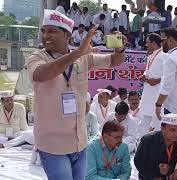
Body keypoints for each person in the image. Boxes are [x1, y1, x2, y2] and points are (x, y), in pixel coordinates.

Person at [26, 9, 126, 180]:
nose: (45, 35)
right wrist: (77, 53)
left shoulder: (83, 58)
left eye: (52, 31)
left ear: (67, 35)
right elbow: (40, 74)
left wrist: (120, 47)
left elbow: (114, 61)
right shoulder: (37, 57)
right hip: (53, 145)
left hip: (79, 142)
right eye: (44, 31)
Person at [134, 113, 177, 180]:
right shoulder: (148, 140)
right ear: (162, 129)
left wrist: (169, 169)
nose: (176, 134)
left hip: (170, 176)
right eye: (173, 130)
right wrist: (152, 178)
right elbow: (138, 161)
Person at [139, 33, 166, 137]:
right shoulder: (151, 55)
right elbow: (148, 71)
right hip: (148, 91)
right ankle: (142, 143)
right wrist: (144, 75)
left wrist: (158, 80)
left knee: (158, 118)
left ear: (154, 43)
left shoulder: (164, 56)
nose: (146, 44)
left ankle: (158, 143)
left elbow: (169, 75)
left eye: (148, 42)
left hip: (158, 92)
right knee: (145, 117)